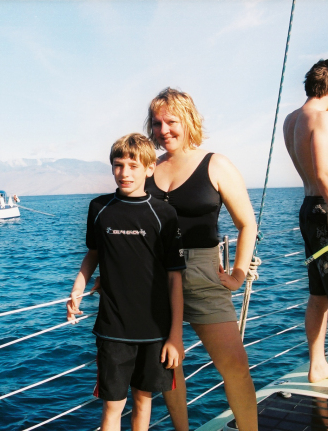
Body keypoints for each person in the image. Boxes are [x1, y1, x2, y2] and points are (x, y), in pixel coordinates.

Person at [144, 88, 258, 431]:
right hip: (155, 276)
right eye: (157, 122)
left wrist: (238, 274)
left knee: (234, 365)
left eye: (171, 121)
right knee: (170, 366)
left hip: (203, 274)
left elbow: (246, 223)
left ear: (189, 121)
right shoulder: (148, 168)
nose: (164, 130)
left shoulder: (215, 164)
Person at [67, 133, 186, 431]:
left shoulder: (164, 214)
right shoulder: (99, 208)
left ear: (149, 168)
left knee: (143, 402)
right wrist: (78, 286)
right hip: (113, 328)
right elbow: (93, 254)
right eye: (118, 165)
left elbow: (174, 278)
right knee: (112, 407)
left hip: (155, 330)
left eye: (133, 165)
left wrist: (175, 336)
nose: (125, 172)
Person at [283, 59, 328, 384]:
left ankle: (316, 365)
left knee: (319, 294)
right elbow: (324, 173)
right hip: (325, 208)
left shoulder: (292, 119)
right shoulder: (321, 117)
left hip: (308, 209)